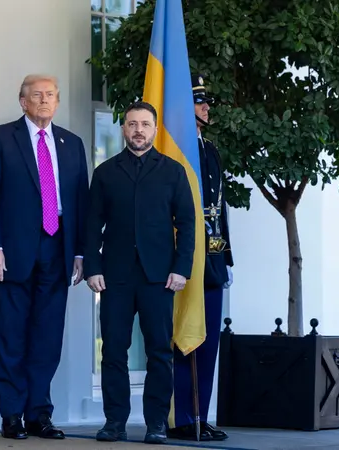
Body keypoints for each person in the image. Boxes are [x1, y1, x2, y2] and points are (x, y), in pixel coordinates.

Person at [0, 74, 89, 440]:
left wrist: (80, 252)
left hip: (58, 249)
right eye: (36, 95)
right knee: (11, 336)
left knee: (47, 337)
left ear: (57, 102)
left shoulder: (72, 143)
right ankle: (12, 415)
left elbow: (81, 202)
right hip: (10, 253)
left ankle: (39, 414)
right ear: (22, 102)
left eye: (50, 95)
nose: (44, 100)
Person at [84, 101, 196, 445]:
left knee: (159, 352)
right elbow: (91, 224)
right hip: (114, 276)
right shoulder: (105, 172)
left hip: (159, 277)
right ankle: (114, 422)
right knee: (113, 351)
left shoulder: (173, 171)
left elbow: (188, 224)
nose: (138, 130)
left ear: (155, 130)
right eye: (132, 124)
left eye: (145, 124)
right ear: (123, 129)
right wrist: (92, 267)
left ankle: (156, 423)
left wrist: (181, 269)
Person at [167, 74, 234, 442]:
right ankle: (180, 418)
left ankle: (199, 415)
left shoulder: (210, 149)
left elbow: (219, 209)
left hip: (212, 258)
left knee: (207, 341)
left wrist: (227, 257)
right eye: (199, 101)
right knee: (182, 337)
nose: (207, 107)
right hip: (182, 257)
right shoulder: (173, 152)